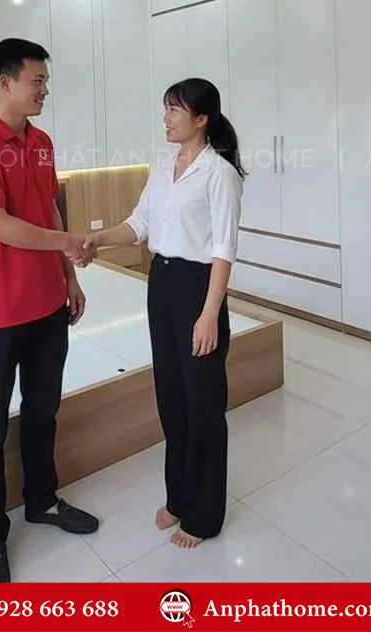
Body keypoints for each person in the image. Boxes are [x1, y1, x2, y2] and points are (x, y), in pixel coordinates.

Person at [0, 37, 100, 583]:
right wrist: (69, 243)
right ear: (5, 82)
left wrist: (69, 277)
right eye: (37, 80)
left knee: (42, 412)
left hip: (47, 308)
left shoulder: (41, 142)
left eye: (45, 81)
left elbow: (47, 209)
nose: (44, 90)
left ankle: (42, 500)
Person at [87, 77, 244, 549]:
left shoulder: (219, 173)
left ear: (202, 119)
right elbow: (139, 224)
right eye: (165, 108)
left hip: (199, 288)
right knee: (172, 399)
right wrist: (96, 240)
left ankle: (203, 516)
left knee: (203, 405)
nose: (166, 117)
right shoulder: (162, 166)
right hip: (162, 284)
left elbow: (223, 249)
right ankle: (178, 497)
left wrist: (210, 313)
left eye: (175, 109)